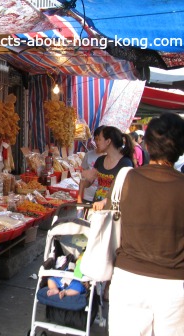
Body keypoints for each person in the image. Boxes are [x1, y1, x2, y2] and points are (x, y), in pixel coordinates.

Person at [100, 112, 184, 336]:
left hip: (129, 281)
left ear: (146, 144)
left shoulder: (126, 180)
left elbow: (110, 216)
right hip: (174, 287)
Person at [81, 126, 134, 203]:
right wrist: (84, 181)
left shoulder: (125, 163)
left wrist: (105, 201)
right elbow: (90, 181)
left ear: (108, 141)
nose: (97, 142)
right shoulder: (100, 160)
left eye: (99, 139)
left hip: (113, 209)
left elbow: (125, 191)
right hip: (96, 208)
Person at [77, 125, 105, 203]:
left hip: (103, 198)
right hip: (88, 196)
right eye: (96, 139)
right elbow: (83, 177)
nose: (97, 142)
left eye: (100, 139)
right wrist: (79, 197)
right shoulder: (89, 155)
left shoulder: (109, 157)